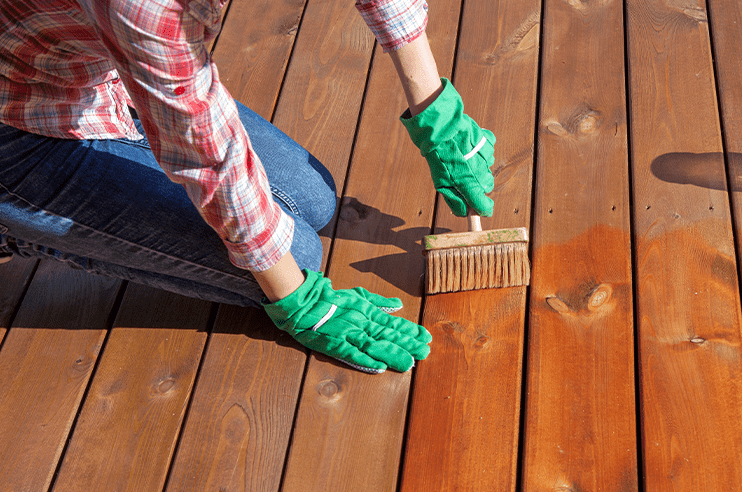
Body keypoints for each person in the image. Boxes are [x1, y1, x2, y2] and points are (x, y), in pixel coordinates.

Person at [0, 0, 496, 374]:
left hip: (104, 74)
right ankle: (16, 223)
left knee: (314, 197)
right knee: (294, 260)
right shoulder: (147, 7)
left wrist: (438, 114)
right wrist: (299, 304)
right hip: (24, 129)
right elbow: (210, 155)